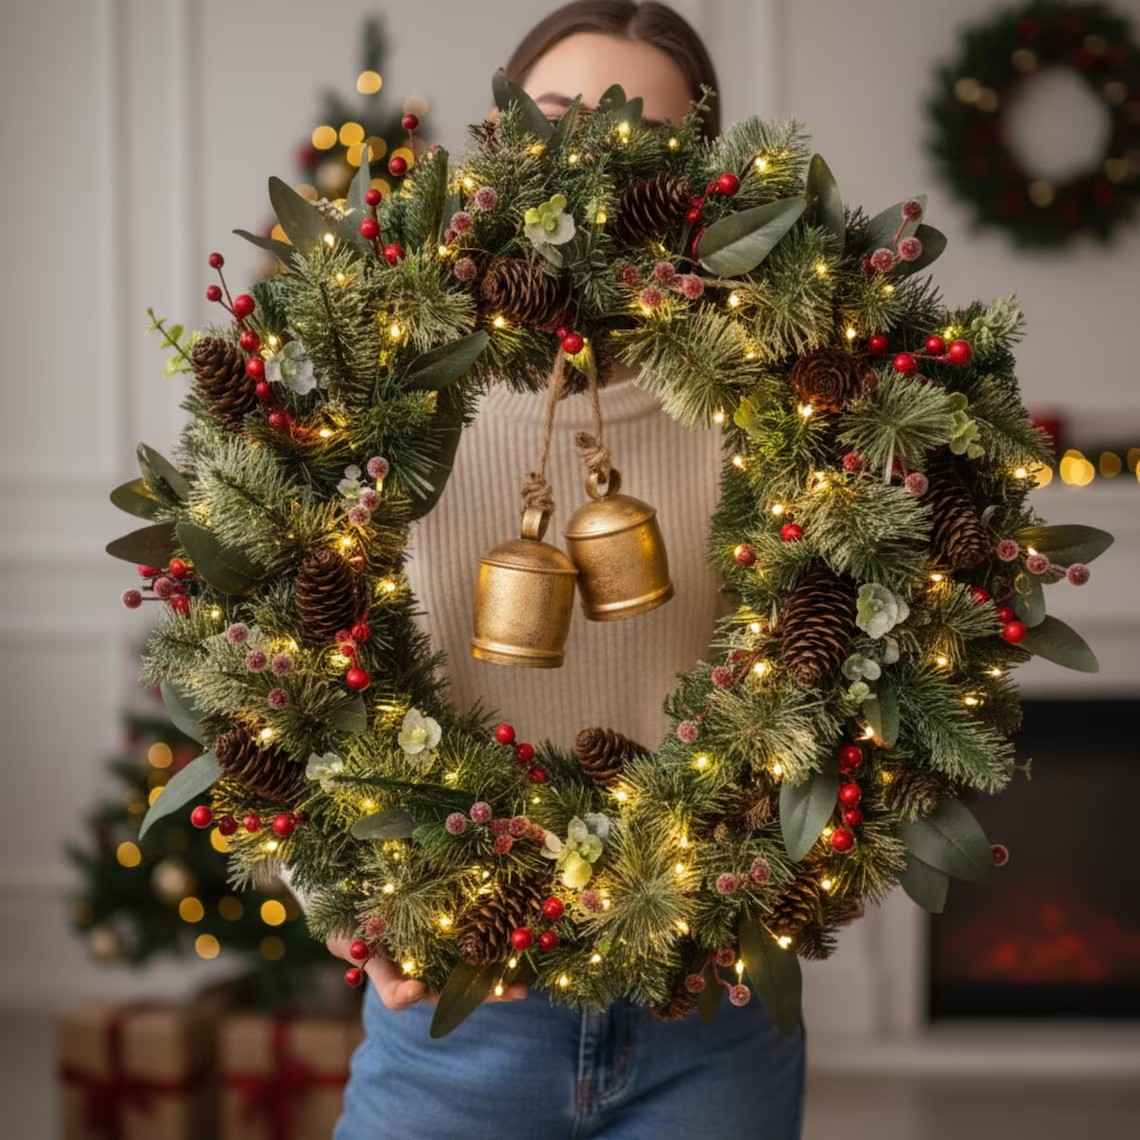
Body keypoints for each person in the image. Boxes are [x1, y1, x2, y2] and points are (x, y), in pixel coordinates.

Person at [330, 4, 805, 1136]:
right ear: (498, 148)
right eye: (557, 123)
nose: (594, 166)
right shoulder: (387, 394)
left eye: (643, 140)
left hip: (711, 1015)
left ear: (702, 183)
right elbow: (283, 671)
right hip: (457, 1015)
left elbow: (835, 697)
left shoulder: (780, 407)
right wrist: (346, 899)